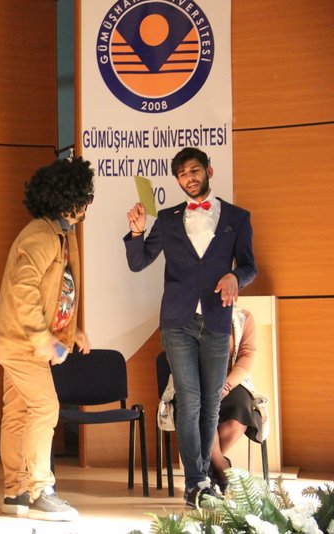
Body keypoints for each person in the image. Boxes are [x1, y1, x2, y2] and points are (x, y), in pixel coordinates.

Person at [124, 147, 257, 508]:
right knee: (190, 400)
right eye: (182, 174)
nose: (189, 178)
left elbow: (249, 266)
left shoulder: (237, 217)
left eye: (194, 171)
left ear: (209, 171)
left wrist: (235, 277)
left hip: (217, 319)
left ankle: (206, 477)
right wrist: (136, 232)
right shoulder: (167, 219)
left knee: (211, 403)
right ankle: (196, 482)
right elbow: (139, 261)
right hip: (177, 322)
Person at [0, 157, 95, 522]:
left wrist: (71, 332)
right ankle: (39, 492)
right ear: (68, 202)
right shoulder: (41, 235)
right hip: (20, 340)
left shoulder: (60, 234)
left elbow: (58, 290)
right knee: (46, 408)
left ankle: (15, 492)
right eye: (84, 198)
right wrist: (42, 338)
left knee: (18, 412)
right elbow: (24, 287)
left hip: (19, 339)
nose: (86, 205)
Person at [209, 305, 268, 492]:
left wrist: (227, 385)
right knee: (198, 409)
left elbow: (247, 354)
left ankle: (207, 467)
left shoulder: (244, 317)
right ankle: (221, 466)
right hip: (195, 382)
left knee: (240, 410)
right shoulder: (188, 314)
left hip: (231, 380)